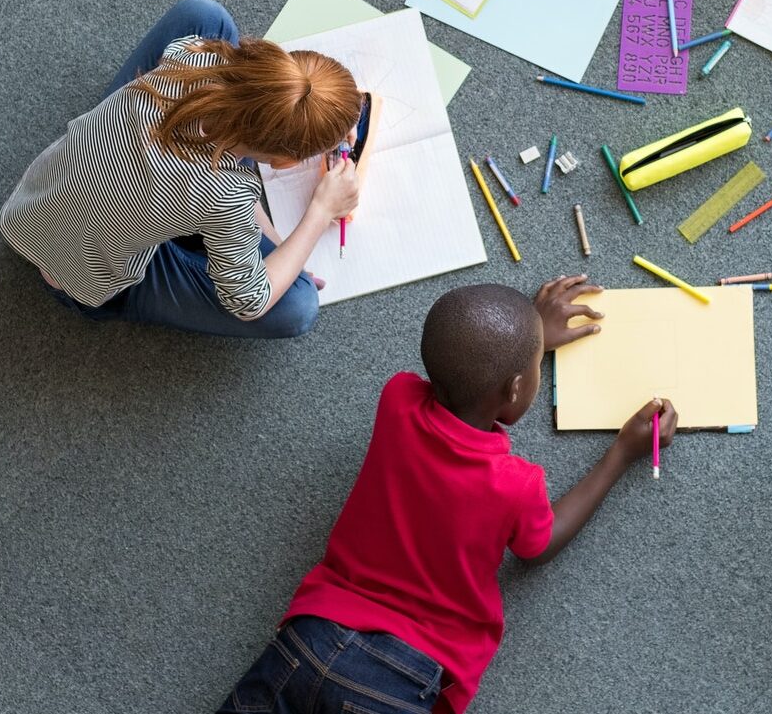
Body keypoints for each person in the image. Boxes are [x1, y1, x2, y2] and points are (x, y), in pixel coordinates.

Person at [217, 277, 677, 713]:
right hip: (398, 674)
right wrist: (621, 452)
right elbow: (539, 547)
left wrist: (522, 340)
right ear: (516, 387)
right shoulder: (516, 484)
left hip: (309, 639)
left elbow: (455, 363)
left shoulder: (396, 398)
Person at [0, 0, 362, 338]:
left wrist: (306, 112)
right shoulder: (226, 195)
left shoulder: (192, 56)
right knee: (298, 303)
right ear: (285, 162)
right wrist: (320, 211)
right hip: (81, 280)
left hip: (28, 209)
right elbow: (249, 302)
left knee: (204, 14)